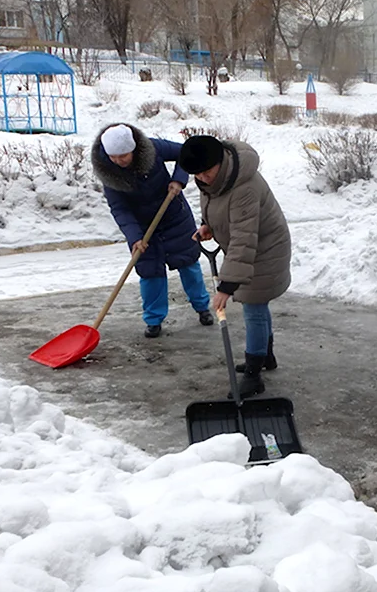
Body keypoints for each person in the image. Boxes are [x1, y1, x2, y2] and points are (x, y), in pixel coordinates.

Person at [179, 135, 291, 398]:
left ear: (220, 161)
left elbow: (243, 238)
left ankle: (254, 376)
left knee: (253, 307)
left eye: (207, 171)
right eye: (198, 174)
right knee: (258, 306)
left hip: (264, 250)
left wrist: (227, 286)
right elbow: (218, 209)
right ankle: (266, 356)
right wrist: (209, 227)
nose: (203, 178)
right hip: (247, 248)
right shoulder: (215, 180)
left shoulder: (243, 187)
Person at [92, 123, 213, 338]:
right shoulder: (109, 174)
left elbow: (186, 153)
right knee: (150, 273)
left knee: (188, 263)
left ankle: (202, 307)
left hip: (174, 216)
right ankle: (154, 320)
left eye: (123, 156)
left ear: (134, 149)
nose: (119, 161)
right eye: (114, 157)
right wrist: (135, 237)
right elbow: (119, 209)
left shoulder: (153, 148)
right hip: (143, 226)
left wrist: (179, 179)